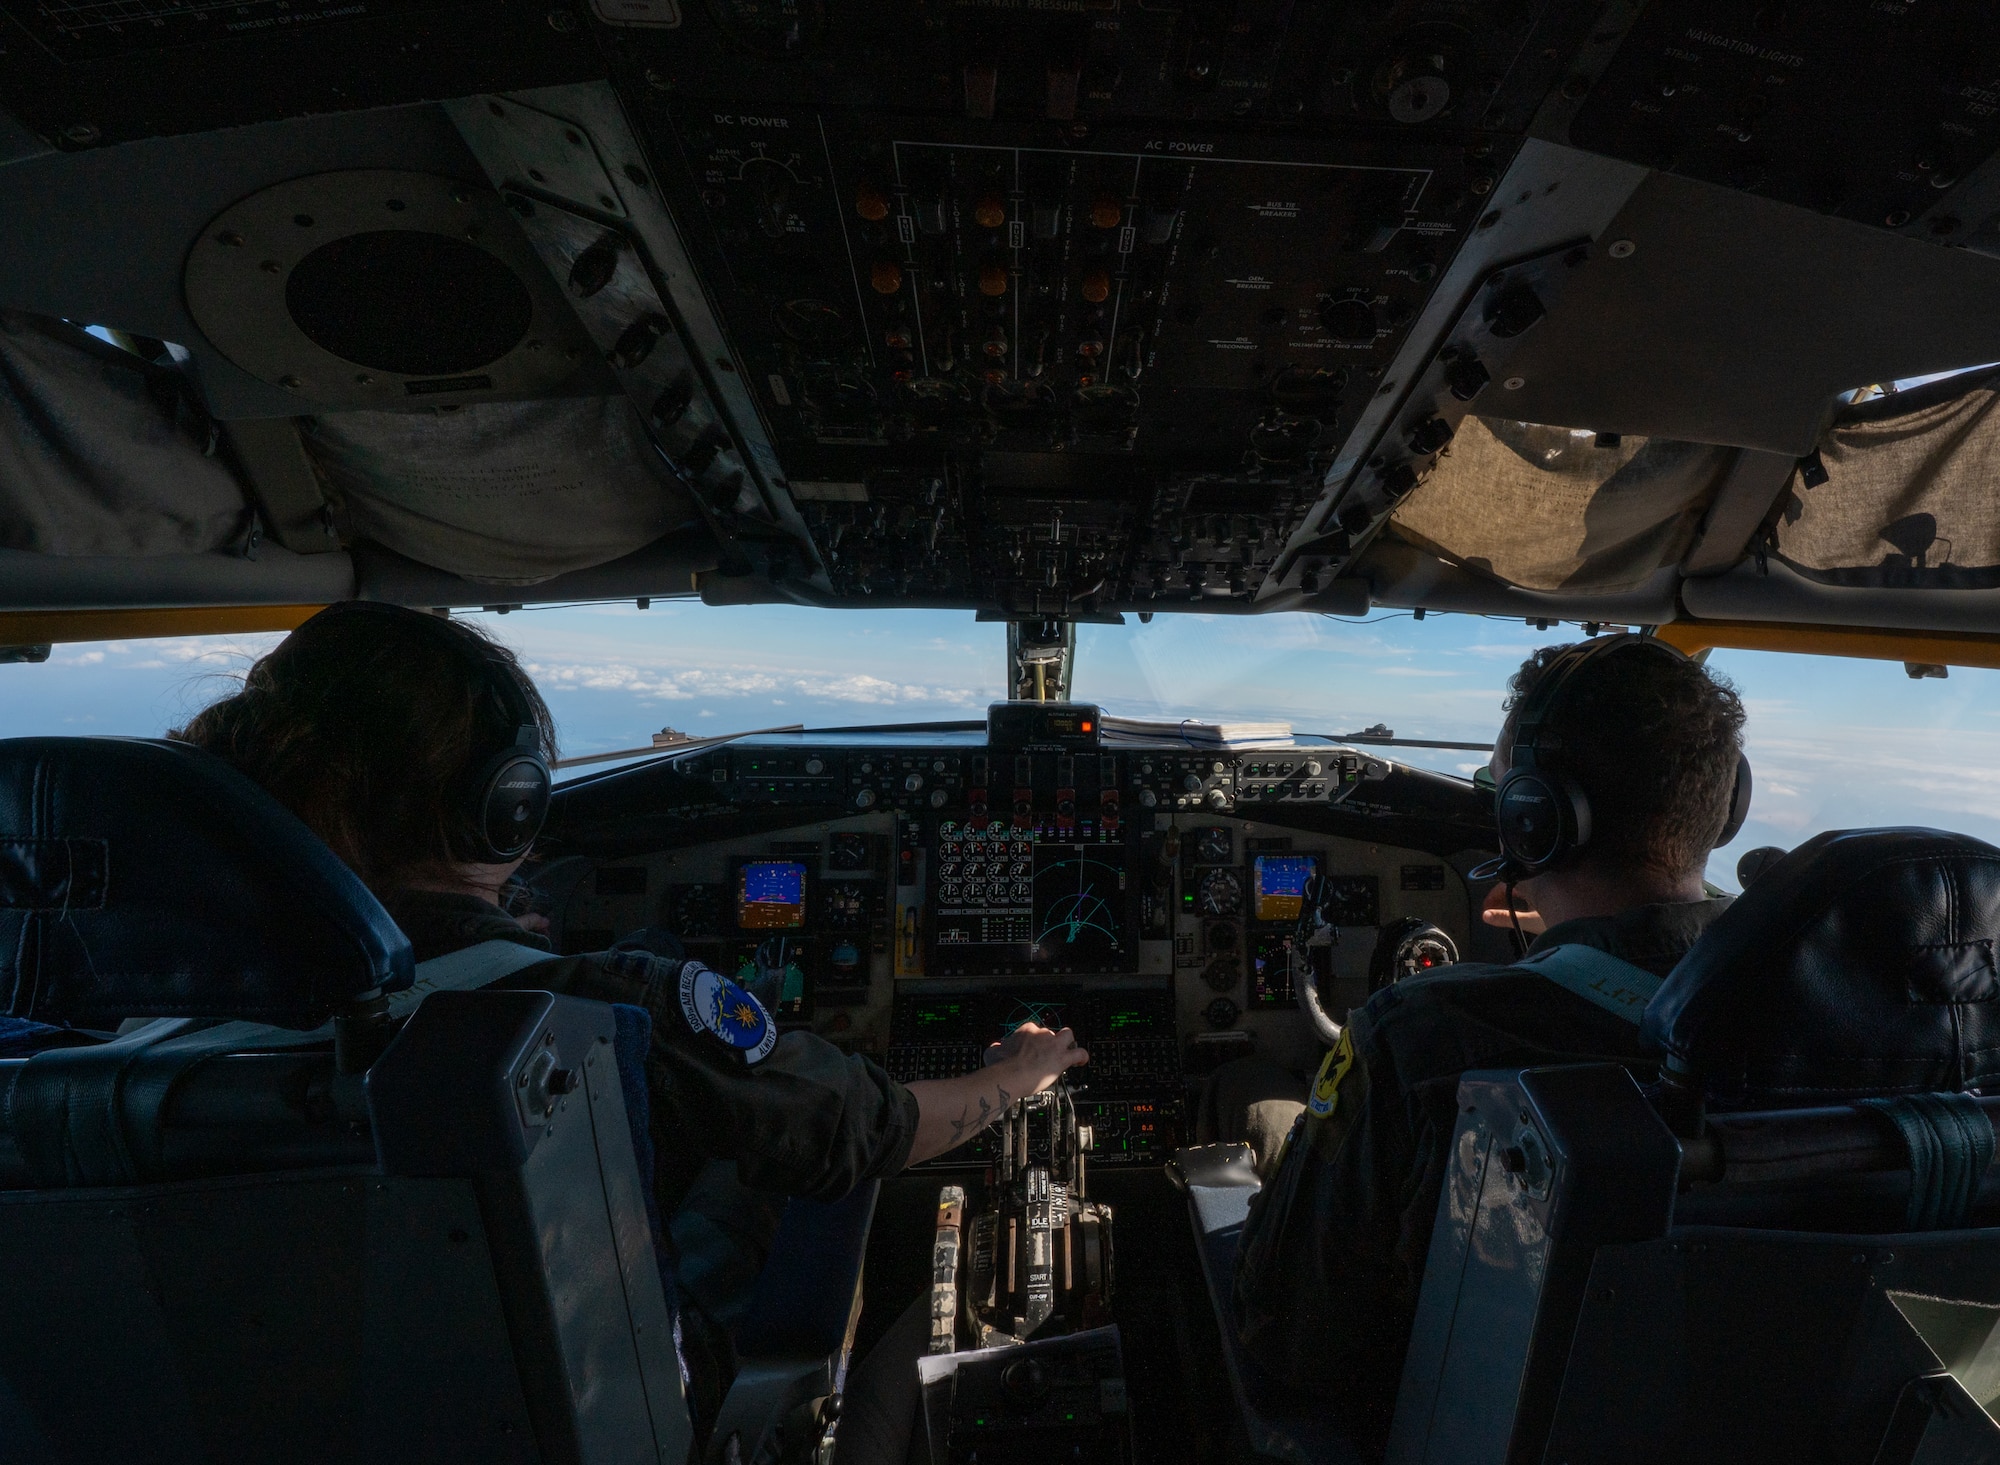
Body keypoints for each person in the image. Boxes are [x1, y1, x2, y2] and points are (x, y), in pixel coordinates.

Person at [170, 601, 1088, 1439]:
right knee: (771, 1147)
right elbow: (865, 1125)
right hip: (619, 1404)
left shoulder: (121, 1014)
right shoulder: (606, 1003)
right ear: (505, 804)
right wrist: (1019, 1073)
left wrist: (483, 941)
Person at [1230, 634, 1748, 1458]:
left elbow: (1290, 1333)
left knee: (1259, 1110)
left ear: (1533, 818)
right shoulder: (1807, 1016)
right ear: (1723, 808)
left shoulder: (1415, 1033)